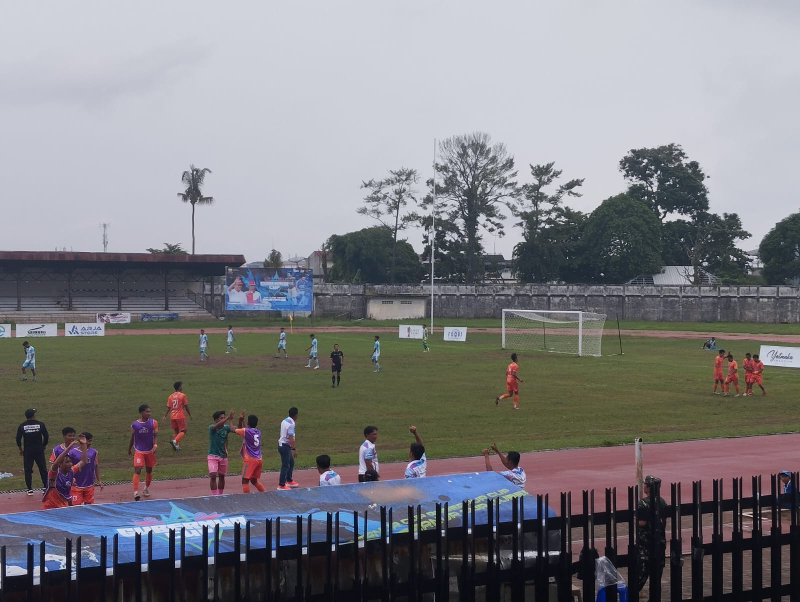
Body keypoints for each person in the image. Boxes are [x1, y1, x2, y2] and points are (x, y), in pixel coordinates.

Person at [636, 475, 668, 594]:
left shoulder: (644, 503)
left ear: (649, 488)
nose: (643, 486)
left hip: (646, 543)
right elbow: (664, 521)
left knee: (642, 573)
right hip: (659, 541)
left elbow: (642, 523)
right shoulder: (662, 501)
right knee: (657, 575)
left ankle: (633, 595)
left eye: (645, 484)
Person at [42, 437, 88, 510]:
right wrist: (68, 448)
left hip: (63, 507)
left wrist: (84, 445)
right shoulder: (54, 473)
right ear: (60, 464)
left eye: (70, 462)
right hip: (50, 507)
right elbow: (55, 463)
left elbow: (83, 461)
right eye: (67, 462)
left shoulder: (71, 471)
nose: (70, 464)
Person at [128, 404, 158, 501]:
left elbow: (155, 436)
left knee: (149, 470)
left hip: (149, 451)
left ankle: (146, 488)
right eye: (147, 411)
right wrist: (129, 448)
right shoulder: (135, 425)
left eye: (150, 411)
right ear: (141, 413)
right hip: (139, 451)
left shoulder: (153, 423)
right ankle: (135, 492)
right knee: (137, 469)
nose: (149, 413)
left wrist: (155, 445)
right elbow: (132, 438)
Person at [16, 408, 49, 495]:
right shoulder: (40, 424)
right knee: (42, 468)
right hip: (39, 450)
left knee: (28, 469)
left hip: (28, 450)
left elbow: (18, 438)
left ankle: (29, 489)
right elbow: (46, 436)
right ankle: (45, 486)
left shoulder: (22, 425)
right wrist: (43, 445)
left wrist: (20, 449)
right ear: (33, 415)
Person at [234, 411, 266, 493]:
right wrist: (243, 421)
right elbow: (247, 430)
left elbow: (234, 429)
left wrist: (230, 420)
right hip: (258, 459)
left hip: (249, 460)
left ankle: (247, 498)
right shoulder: (257, 431)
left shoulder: (247, 431)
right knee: (254, 480)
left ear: (248, 423)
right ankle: (265, 494)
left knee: (244, 481)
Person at [71, 432, 102, 505]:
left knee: (89, 506)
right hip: (76, 484)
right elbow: (69, 468)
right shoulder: (72, 452)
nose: (90, 443)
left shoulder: (94, 452)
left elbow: (96, 466)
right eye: (89, 441)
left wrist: (99, 480)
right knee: (76, 506)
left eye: (91, 441)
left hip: (89, 483)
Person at [208, 410, 234, 495]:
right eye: (221, 418)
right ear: (216, 420)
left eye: (224, 417)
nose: (223, 419)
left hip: (223, 456)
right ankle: (214, 495)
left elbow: (236, 429)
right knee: (213, 475)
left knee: (222, 476)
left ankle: (220, 495)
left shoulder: (226, 428)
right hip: (213, 456)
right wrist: (227, 418)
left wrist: (238, 420)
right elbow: (216, 426)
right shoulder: (212, 427)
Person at [164, 381, 192, 451]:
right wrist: (189, 414)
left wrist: (165, 415)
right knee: (183, 430)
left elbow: (168, 407)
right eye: (181, 386)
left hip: (172, 416)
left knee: (176, 431)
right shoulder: (182, 395)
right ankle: (175, 441)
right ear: (179, 387)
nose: (182, 387)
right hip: (180, 416)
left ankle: (176, 446)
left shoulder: (170, 396)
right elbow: (186, 406)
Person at [277, 407, 299, 490]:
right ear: (296, 415)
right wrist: (294, 449)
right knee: (285, 466)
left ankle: (289, 480)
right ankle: (281, 484)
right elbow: (290, 437)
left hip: (282, 445)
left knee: (291, 463)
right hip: (285, 446)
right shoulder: (291, 424)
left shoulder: (285, 420)